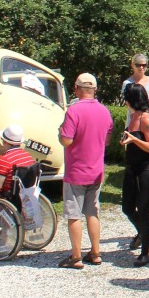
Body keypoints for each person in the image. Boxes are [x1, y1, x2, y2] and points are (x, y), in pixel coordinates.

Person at [56, 72, 113, 268]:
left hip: (76, 171)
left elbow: (67, 140)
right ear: (95, 89)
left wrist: (59, 133)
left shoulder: (73, 111)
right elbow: (107, 141)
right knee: (92, 212)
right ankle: (96, 253)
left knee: (74, 214)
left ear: (77, 89)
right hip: (96, 170)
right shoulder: (105, 111)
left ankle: (76, 256)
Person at [119, 81, 149, 267]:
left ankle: (145, 252)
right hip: (131, 168)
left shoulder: (146, 119)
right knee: (127, 207)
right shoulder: (132, 116)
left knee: (144, 211)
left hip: (145, 169)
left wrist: (134, 139)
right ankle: (142, 232)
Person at [121, 54, 149, 123]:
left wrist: (143, 104)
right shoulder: (127, 83)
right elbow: (130, 106)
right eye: (138, 65)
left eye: (144, 65)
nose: (141, 67)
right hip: (134, 123)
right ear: (132, 65)